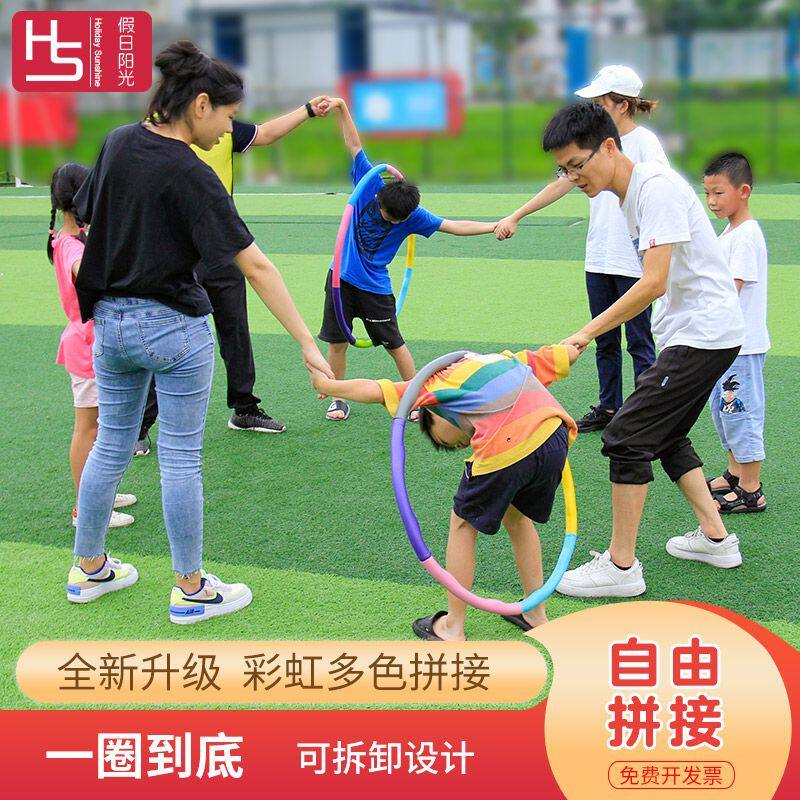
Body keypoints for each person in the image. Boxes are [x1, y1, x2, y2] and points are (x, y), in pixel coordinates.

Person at [66, 41, 333, 625]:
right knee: (181, 458)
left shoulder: (117, 141)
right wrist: (307, 344)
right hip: (173, 329)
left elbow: (88, 218)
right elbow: (256, 266)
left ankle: (89, 570)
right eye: (228, 116)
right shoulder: (192, 172)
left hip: (110, 326)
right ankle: (191, 589)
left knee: (111, 445)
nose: (229, 129)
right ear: (201, 104)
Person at [540, 103, 745, 598]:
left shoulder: (655, 188)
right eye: (564, 170)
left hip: (705, 333)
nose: (573, 177)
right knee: (667, 434)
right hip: (695, 332)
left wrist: (584, 334)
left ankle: (621, 567)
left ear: (609, 147)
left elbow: (653, 282)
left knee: (626, 435)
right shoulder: (627, 195)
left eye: (577, 164)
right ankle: (717, 539)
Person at [309, 344, 578, 640]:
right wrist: (580, 341)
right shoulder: (503, 359)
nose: (464, 443)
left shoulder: (433, 387)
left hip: (506, 443)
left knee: (462, 524)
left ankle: (453, 627)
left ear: (433, 411)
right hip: (555, 436)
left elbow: (375, 390)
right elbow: (565, 354)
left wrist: (326, 385)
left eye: (448, 443)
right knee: (517, 518)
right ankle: (535, 614)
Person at [134, 94, 334, 455]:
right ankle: (140, 426)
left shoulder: (223, 129)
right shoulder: (155, 138)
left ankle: (244, 408)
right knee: (166, 338)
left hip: (221, 245)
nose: (228, 124)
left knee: (235, 328)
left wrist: (307, 110)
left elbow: (265, 134)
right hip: (174, 255)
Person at [496, 65, 666, 433]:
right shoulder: (587, 148)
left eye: (600, 103)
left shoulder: (645, 144)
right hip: (600, 257)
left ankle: (648, 412)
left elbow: (657, 197)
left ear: (622, 105)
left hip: (634, 263)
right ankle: (609, 407)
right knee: (604, 339)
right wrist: (517, 214)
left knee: (639, 342)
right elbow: (561, 183)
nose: (594, 110)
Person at [319, 97, 498, 422]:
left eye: (397, 221)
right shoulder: (370, 184)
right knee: (337, 343)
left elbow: (454, 226)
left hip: (374, 287)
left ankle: (416, 398)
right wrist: (342, 107)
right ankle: (338, 398)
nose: (391, 222)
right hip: (339, 278)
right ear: (378, 199)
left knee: (394, 344)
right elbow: (354, 144)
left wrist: (494, 226)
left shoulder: (414, 215)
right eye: (387, 216)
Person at [48, 163, 138, 530]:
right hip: (87, 344)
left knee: (100, 428)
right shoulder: (72, 246)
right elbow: (93, 277)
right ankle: (85, 508)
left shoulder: (72, 238)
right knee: (87, 428)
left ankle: (99, 492)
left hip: (91, 340)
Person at [703, 153, 769, 514]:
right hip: (725, 343)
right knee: (724, 411)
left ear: (743, 191)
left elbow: (730, 289)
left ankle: (751, 488)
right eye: (707, 193)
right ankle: (735, 472)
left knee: (741, 411)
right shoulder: (729, 232)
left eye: (719, 193)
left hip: (742, 347)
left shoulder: (745, 236)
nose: (712, 201)